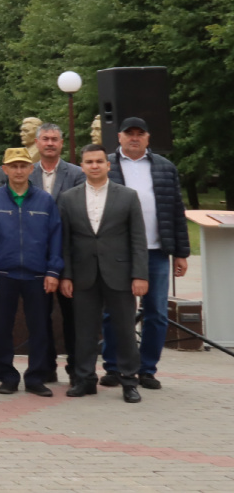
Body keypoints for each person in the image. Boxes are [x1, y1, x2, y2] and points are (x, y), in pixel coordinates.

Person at [101, 117, 190, 390]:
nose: (135, 138)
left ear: (148, 138)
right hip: (118, 252)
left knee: (156, 313)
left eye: (140, 134)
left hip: (156, 251)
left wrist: (181, 252)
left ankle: (147, 369)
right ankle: (114, 368)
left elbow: (176, 211)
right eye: (130, 134)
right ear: (119, 137)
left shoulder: (165, 168)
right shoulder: (106, 165)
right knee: (114, 312)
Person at [59, 144, 148, 403]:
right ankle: (85, 379)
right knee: (84, 330)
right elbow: (64, 242)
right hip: (83, 274)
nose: (94, 166)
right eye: (89, 162)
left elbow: (138, 239)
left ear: (108, 165)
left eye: (99, 161)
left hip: (119, 273)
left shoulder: (128, 196)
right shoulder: (68, 198)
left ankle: (129, 380)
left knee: (124, 330)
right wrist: (66, 275)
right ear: (82, 166)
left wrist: (139, 275)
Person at [0, 147, 62, 397]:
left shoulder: (45, 201)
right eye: (13, 166)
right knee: (1, 327)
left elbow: (55, 238)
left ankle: (36, 377)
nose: (19, 170)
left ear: (31, 168)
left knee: (40, 328)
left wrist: (53, 271)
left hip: (37, 275)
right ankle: (7, 376)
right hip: (2, 274)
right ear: (5, 169)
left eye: (23, 165)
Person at [31, 122, 84, 385]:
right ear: (37, 142)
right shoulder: (27, 174)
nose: (50, 143)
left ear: (61, 143)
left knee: (72, 317)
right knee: (40, 317)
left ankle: (76, 368)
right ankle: (46, 367)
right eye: (45, 139)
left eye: (54, 139)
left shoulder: (76, 174)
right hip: (36, 257)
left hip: (68, 255)